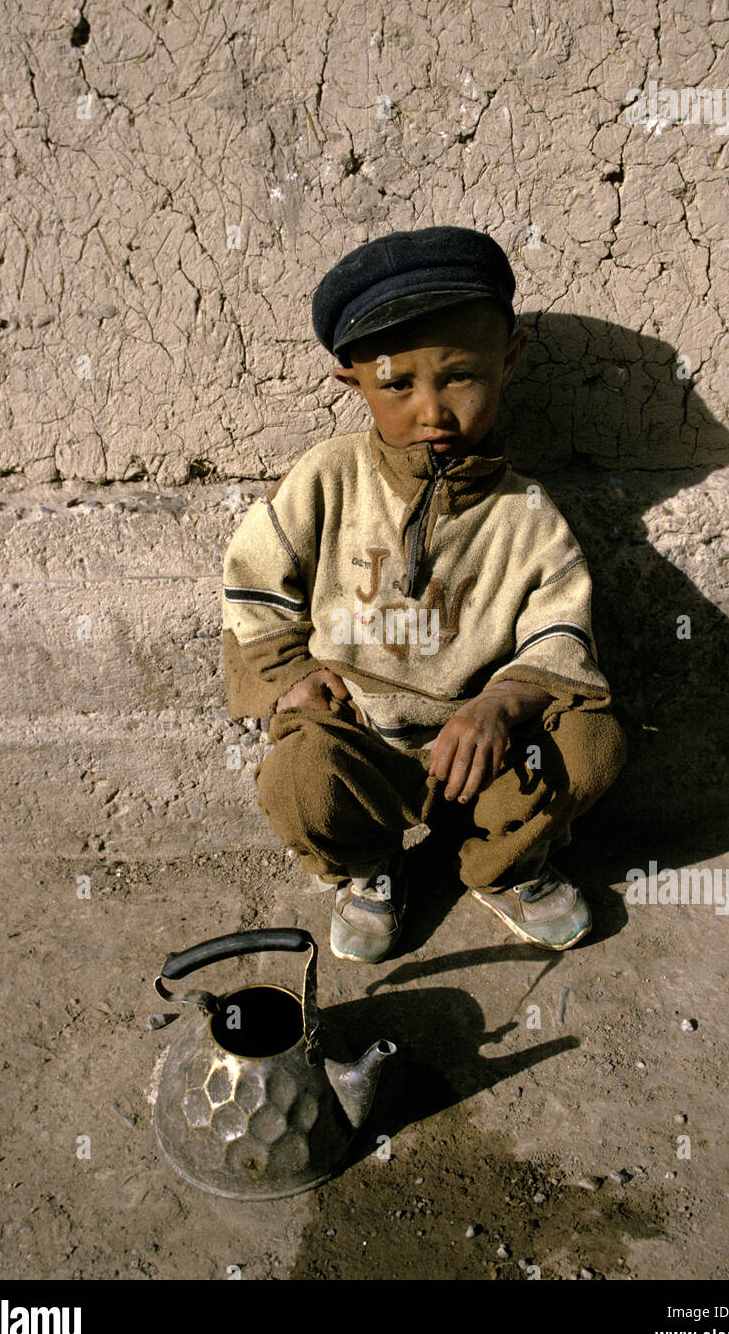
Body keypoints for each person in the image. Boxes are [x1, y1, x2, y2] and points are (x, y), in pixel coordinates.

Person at [222, 226, 625, 963]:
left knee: (592, 744)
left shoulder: (525, 514)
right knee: (299, 776)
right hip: (362, 735)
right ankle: (369, 866)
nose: (432, 411)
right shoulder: (326, 478)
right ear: (354, 382)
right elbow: (253, 580)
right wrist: (289, 678)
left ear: (508, 361)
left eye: (461, 376)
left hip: (481, 746)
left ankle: (501, 866)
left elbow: (559, 630)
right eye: (397, 384)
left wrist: (502, 705)